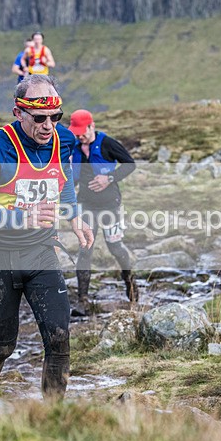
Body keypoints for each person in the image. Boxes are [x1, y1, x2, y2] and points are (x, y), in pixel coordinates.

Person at [0, 74, 94, 399]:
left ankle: (52, 415)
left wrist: (74, 215)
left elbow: (61, 179)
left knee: (59, 336)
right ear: (19, 113)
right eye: (39, 118)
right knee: (4, 342)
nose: (48, 125)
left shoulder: (63, 140)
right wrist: (21, 217)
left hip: (40, 253)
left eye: (55, 117)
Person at [69, 109, 138, 316]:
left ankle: (131, 286)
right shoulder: (74, 146)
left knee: (115, 247)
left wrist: (109, 178)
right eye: (77, 132)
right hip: (85, 205)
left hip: (110, 205)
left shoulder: (107, 143)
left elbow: (130, 164)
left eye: (83, 131)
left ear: (92, 126)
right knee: (85, 248)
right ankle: (83, 300)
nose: (80, 135)